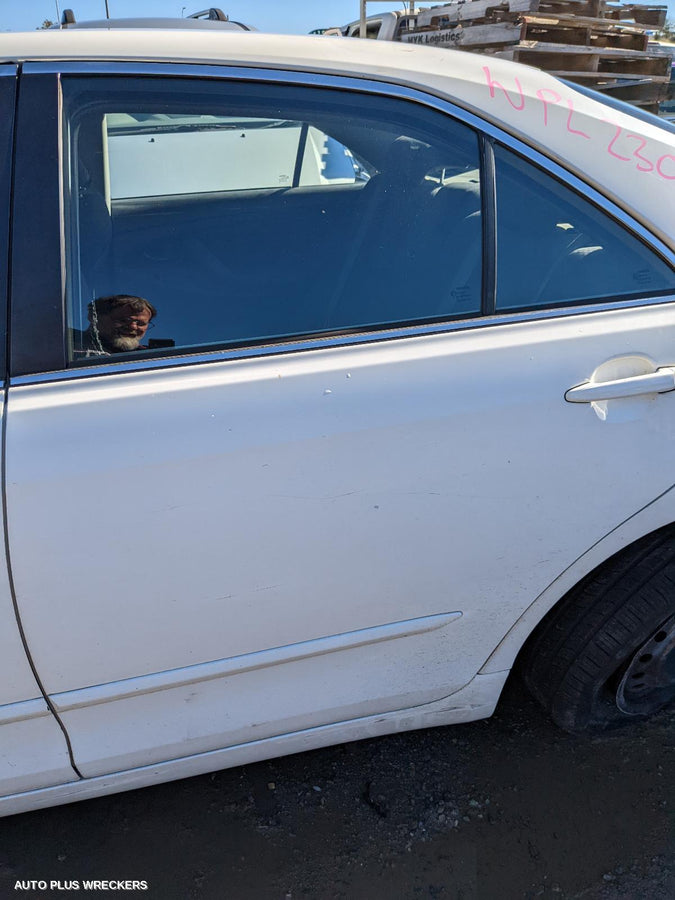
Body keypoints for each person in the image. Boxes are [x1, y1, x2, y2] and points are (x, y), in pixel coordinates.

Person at [72, 294, 157, 359]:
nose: (133, 327)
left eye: (141, 323)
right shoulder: (68, 345)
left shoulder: (150, 356)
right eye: (124, 320)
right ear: (94, 317)